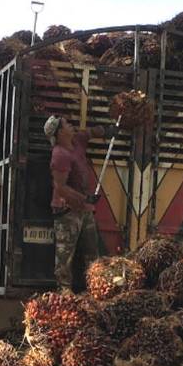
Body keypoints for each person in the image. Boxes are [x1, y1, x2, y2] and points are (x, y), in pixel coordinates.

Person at [43, 115, 112, 292]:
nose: (70, 124)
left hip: (85, 210)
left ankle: (95, 290)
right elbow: (60, 187)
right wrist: (84, 199)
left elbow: (90, 133)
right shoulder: (60, 154)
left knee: (92, 253)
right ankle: (64, 292)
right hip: (67, 212)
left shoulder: (77, 142)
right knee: (65, 256)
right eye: (66, 124)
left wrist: (108, 130)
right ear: (59, 132)